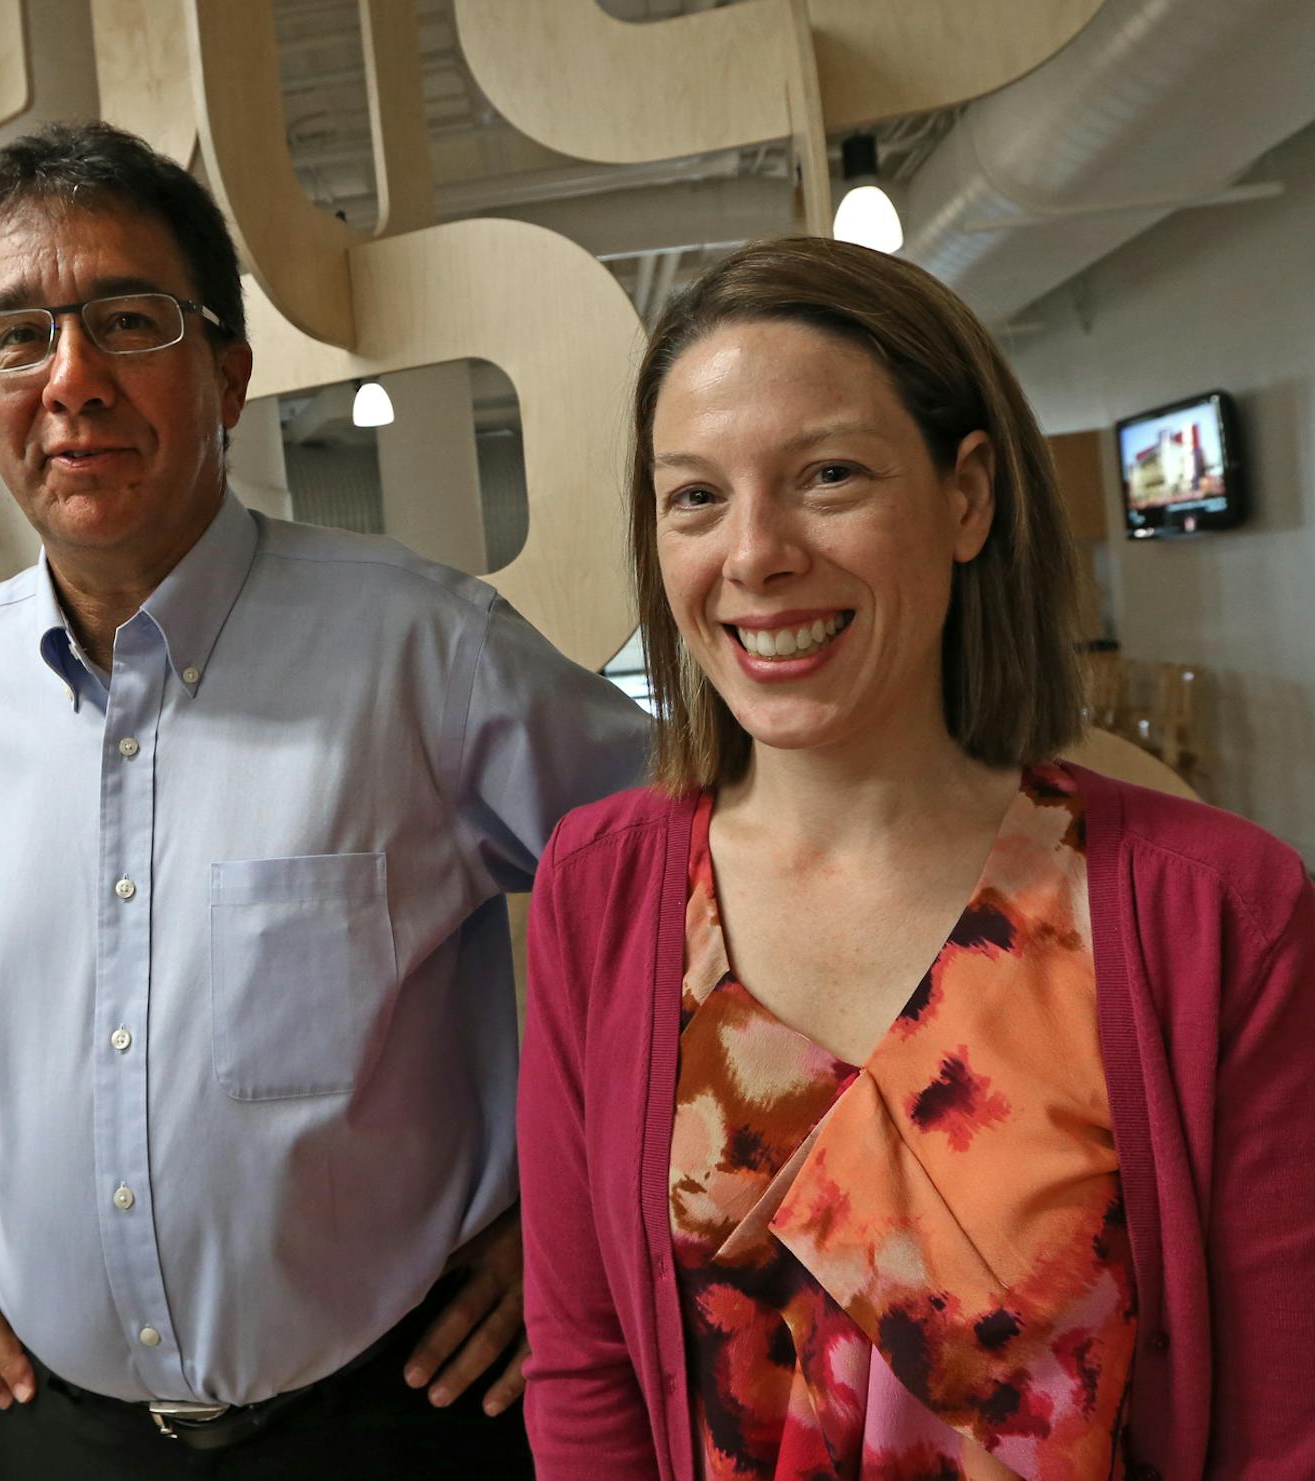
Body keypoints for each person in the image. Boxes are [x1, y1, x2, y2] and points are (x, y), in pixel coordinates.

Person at [0, 122, 647, 1477]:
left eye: (127, 319)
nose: (70, 380)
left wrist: (584, 1210)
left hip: (397, 1421)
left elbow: (695, 902)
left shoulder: (426, 652)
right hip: (59, 1429)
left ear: (227, 372)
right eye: (16, 336)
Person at [517, 236, 1315, 1479]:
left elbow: (1282, 1423)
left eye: (827, 474)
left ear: (969, 496)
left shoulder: (1219, 913)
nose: (755, 553)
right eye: (696, 496)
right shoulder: (602, 887)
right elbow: (585, 1362)